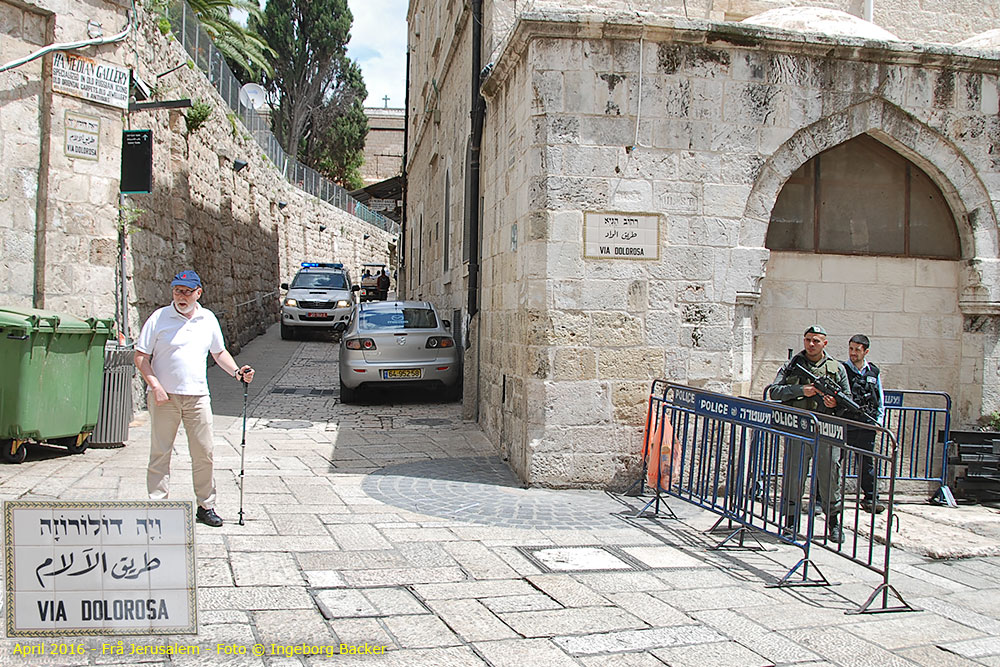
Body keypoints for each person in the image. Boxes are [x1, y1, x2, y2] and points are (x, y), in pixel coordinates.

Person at [134, 270, 255, 527]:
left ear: (198, 293)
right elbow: (141, 356)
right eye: (178, 290)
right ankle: (158, 505)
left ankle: (205, 505)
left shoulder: (207, 319)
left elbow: (219, 352)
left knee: (204, 453)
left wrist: (236, 372)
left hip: (198, 396)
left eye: (188, 291)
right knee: (160, 452)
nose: (182, 296)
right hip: (164, 397)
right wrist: (154, 385)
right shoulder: (159, 318)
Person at [769, 325, 851, 543]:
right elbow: (774, 391)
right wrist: (800, 391)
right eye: (807, 340)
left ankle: (834, 523)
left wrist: (834, 403)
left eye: (816, 340)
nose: (811, 344)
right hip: (798, 428)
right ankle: (790, 522)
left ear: (825, 343)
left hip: (826, 430)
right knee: (793, 476)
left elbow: (848, 400)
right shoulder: (792, 366)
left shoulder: (837, 369)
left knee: (830, 476)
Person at [842, 334, 886, 514]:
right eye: (851, 349)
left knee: (867, 463)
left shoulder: (873, 372)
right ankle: (823, 498)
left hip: (867, 424)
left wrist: (879, 421)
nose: (853, 353)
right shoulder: (843, 369)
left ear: (865, 351)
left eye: (857, 350)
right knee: (834, 462)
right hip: (846, 423)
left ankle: (871, 498)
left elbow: (879, 398)